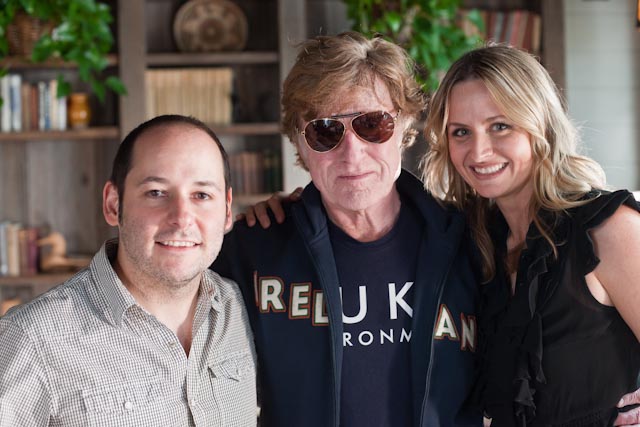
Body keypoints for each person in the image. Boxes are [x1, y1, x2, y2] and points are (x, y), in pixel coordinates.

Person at [212, 31, 481, 426]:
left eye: (372, 124)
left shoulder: (471, 241)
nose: (352, 153)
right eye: (325, 131)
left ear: (405, 125)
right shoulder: (251, 249)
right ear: (299, 143)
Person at [421, 44, 640, 426]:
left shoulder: (607, 229)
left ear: (539, 124)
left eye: (499, 126)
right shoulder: (474, 239)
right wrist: (293, 207)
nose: (479, 151)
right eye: (460, 132)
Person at [0, 115, 257, 426]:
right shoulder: (31, 339)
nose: (181, 217)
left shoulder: (243, 307)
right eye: (156, 193)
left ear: (228, 211)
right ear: (113, 204)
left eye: (201, 195)